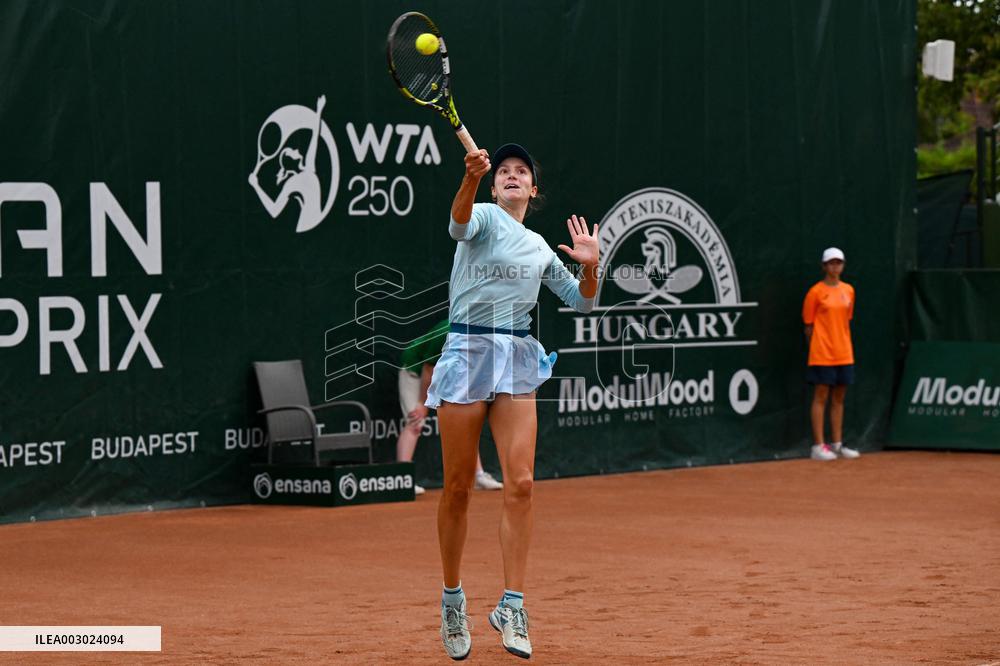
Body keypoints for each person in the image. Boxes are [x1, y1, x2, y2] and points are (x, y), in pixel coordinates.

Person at [429, 143, 600, 660]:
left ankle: (513, 604)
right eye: (502, 171)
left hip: (516, 353)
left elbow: (584, 301)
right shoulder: (480, 213)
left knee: (521, 483)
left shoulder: (541, 247)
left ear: (532, 190)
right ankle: (453, 599)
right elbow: (457, 224)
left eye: (519, 172)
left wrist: (592, 266)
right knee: (458, 487)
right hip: (467, 348)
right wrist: (469, 179)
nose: (510, 176)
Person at [396, 318, 504, 495]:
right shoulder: (449, 331)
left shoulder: (484, 333)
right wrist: (422, 404)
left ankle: (478, 475)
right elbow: (428, 369)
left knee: (467, 422)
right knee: (415, 422)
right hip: (416, 370)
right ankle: (402, 480)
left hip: (448, 373)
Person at [802, 247, 861, 461]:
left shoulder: (849, 290)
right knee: (820, 397)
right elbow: (808, 326)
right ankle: (818, 446)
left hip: (844, 353)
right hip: (822, 353)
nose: (835, 267)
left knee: (839, 398)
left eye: (839, 263)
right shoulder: (815, 293)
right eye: (831, 263)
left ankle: (836, 444)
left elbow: (846, 321)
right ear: (824, 266)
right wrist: (817, 349)